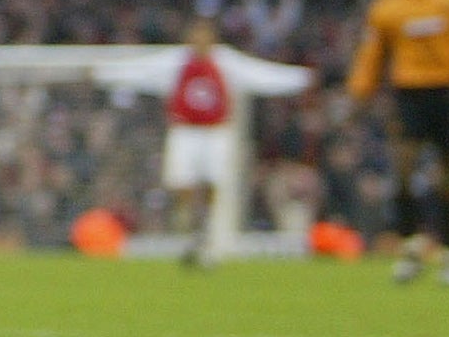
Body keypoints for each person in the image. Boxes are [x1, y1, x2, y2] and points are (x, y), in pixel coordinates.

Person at [94, 14, 310, 266]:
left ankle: (204, 229)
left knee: (212, 182)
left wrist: (299, 79)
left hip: (215, 132)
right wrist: (104, 74)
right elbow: (143, 71)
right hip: (185, 132)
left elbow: (258, 74)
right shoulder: (177, 63)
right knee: (182, 183)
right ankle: (190, 227)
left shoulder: (225, 62)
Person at [347, 0, 449, 285]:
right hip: (409, 94)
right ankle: (411, 250)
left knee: (448, 179)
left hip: (446, 92)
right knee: (404, 169)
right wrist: (359, 95)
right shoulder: (388, 9)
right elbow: (372, 56)